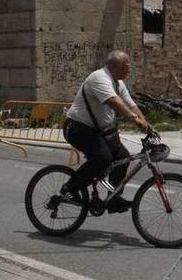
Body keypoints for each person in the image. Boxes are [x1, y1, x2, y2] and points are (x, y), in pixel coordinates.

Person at [59, 50, 154, 213]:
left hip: (101, 131)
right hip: (77, 128)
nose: (129, 69)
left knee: (123, 156)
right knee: (103, 158)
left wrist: (147, 124)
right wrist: (134, 119)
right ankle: (69, 188)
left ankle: (114, 198)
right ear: (114, 66)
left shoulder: (118, 83)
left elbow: (131, 105)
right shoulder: (99, 78)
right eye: (126, 66)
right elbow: (113, 101)